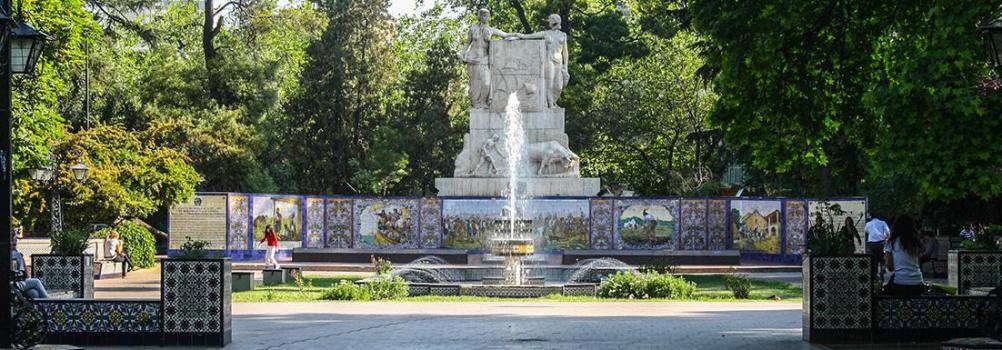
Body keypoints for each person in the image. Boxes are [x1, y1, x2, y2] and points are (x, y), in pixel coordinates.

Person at [460, 9, 518, 109]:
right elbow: (466, 43)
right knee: (475, 84)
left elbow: (506, 34)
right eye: (482, 15)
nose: (484, 17)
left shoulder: (491, 30)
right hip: (473, 59)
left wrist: (517, 37)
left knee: (486, 83)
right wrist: (462, 54)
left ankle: (483, 102)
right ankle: (477, 104)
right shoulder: (473, 29)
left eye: (486, 15)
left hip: (484, 59)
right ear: (479, 16)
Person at [512, 14, 570, 108]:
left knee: (559, 86)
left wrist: (565, 65)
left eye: (550, 20)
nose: (549, 22)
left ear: (555, 20)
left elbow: (565, 52)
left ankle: (553, 101)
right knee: (549, 84)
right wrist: (519, 36)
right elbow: (529, 36)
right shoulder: (545, 33)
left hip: (559, 62)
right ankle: (550, 104)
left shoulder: (563, 35)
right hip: (549, 60)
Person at [882, 215, 926, 297]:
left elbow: (890, 268)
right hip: (918, 283)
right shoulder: (916, 242)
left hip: (900, 284)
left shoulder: (891, 242)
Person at [11, 232, 49, 299]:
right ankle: (50, 304)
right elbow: (23, 274)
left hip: (14, 284)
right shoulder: (16, 255)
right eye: (15, 240)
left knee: (34, 293)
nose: (16, 241)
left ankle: (35, 309)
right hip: (15, 285)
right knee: (36, 281)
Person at [865, 216, 891, 281]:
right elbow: (888, 232)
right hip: (881, 243)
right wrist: (887, 239)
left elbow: (866, 231)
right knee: (882, 259)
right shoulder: (883, 223)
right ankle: (882, 272)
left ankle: (875, 276)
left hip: (871, 244)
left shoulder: (868, 224)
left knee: (874, 261)